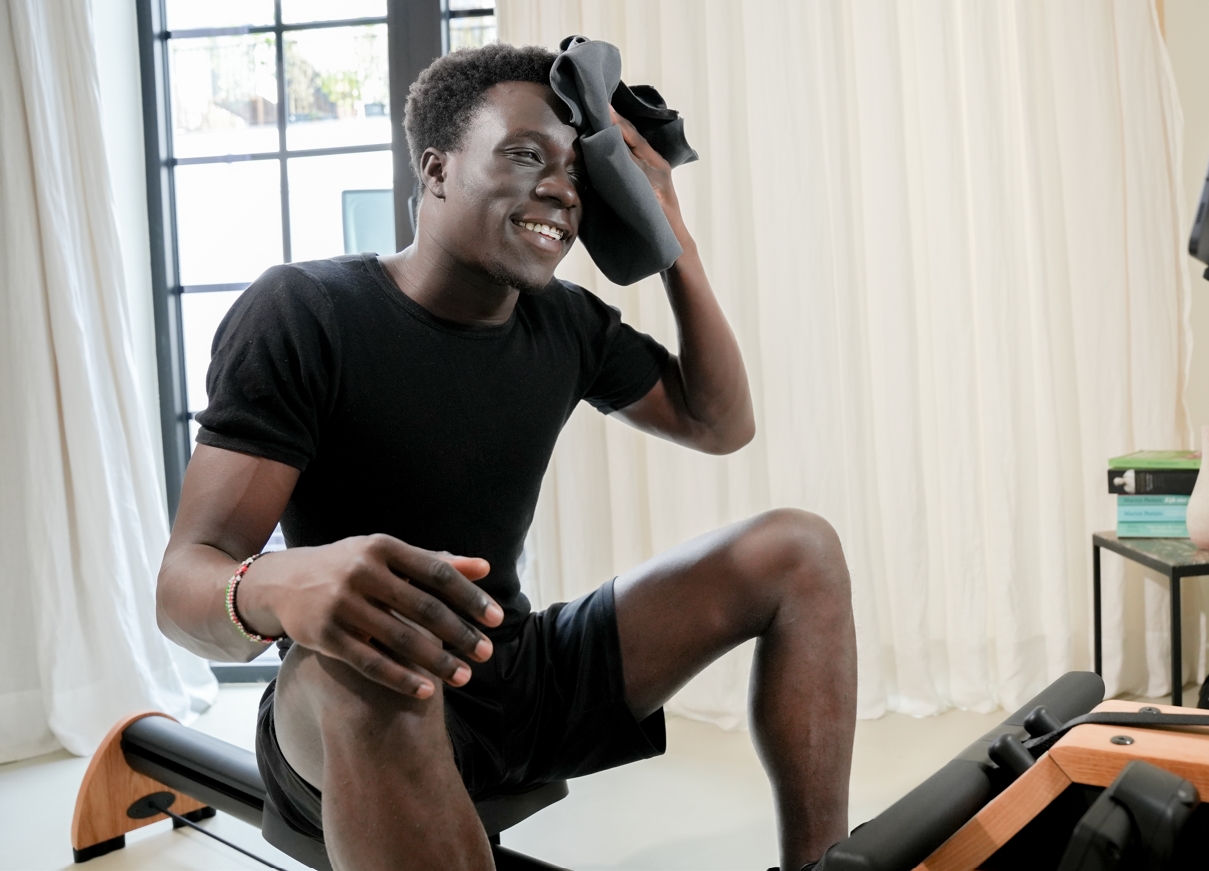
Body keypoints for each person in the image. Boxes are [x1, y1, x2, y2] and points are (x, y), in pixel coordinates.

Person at [155, 43, 856, 871]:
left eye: (576, 171)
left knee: (797, 548)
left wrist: (670, 237)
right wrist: (277, 582)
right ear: (438, 168)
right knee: (384, 662)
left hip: (512, 670)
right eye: (524, 155)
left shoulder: (564, 322)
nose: (560, 187)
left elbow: (719, 421)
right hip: (353, 694)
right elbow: (183, 587)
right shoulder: (307, 312)